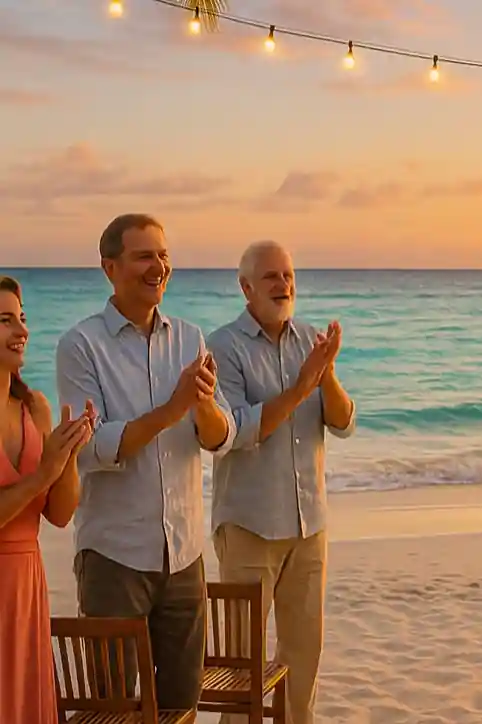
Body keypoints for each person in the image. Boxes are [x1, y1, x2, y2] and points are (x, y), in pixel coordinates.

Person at [55, 213, 235, 709]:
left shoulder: (191, 338)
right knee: (112, 706)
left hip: (184, 554)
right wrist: (174, 408)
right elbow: (91, 447)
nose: (158, 266)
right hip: (114, 557)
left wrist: (202, 408)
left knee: (181, 705)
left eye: (163, 255)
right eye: (144, 256)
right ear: (109, 267)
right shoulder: (80, 345)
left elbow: (216, 439)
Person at [207, 240, 356, 724]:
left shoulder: (311, 339)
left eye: (288, 275)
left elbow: (343, 421)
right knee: (241, 666)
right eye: (271, 277)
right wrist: (300, 387)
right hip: (249, 525)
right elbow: (235, 432)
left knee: (302, 659)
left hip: (309, 524)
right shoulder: (222, 347)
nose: (283, 285)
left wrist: (326, 374)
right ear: (246, 286)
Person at [0, 275, 95, 724]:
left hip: (25, 583)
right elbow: (40, 482)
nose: (21, 331)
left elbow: (59, 514)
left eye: (22, 318)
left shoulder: (35, 406)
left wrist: (69, 457)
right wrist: (44, 473)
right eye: (4, 321)